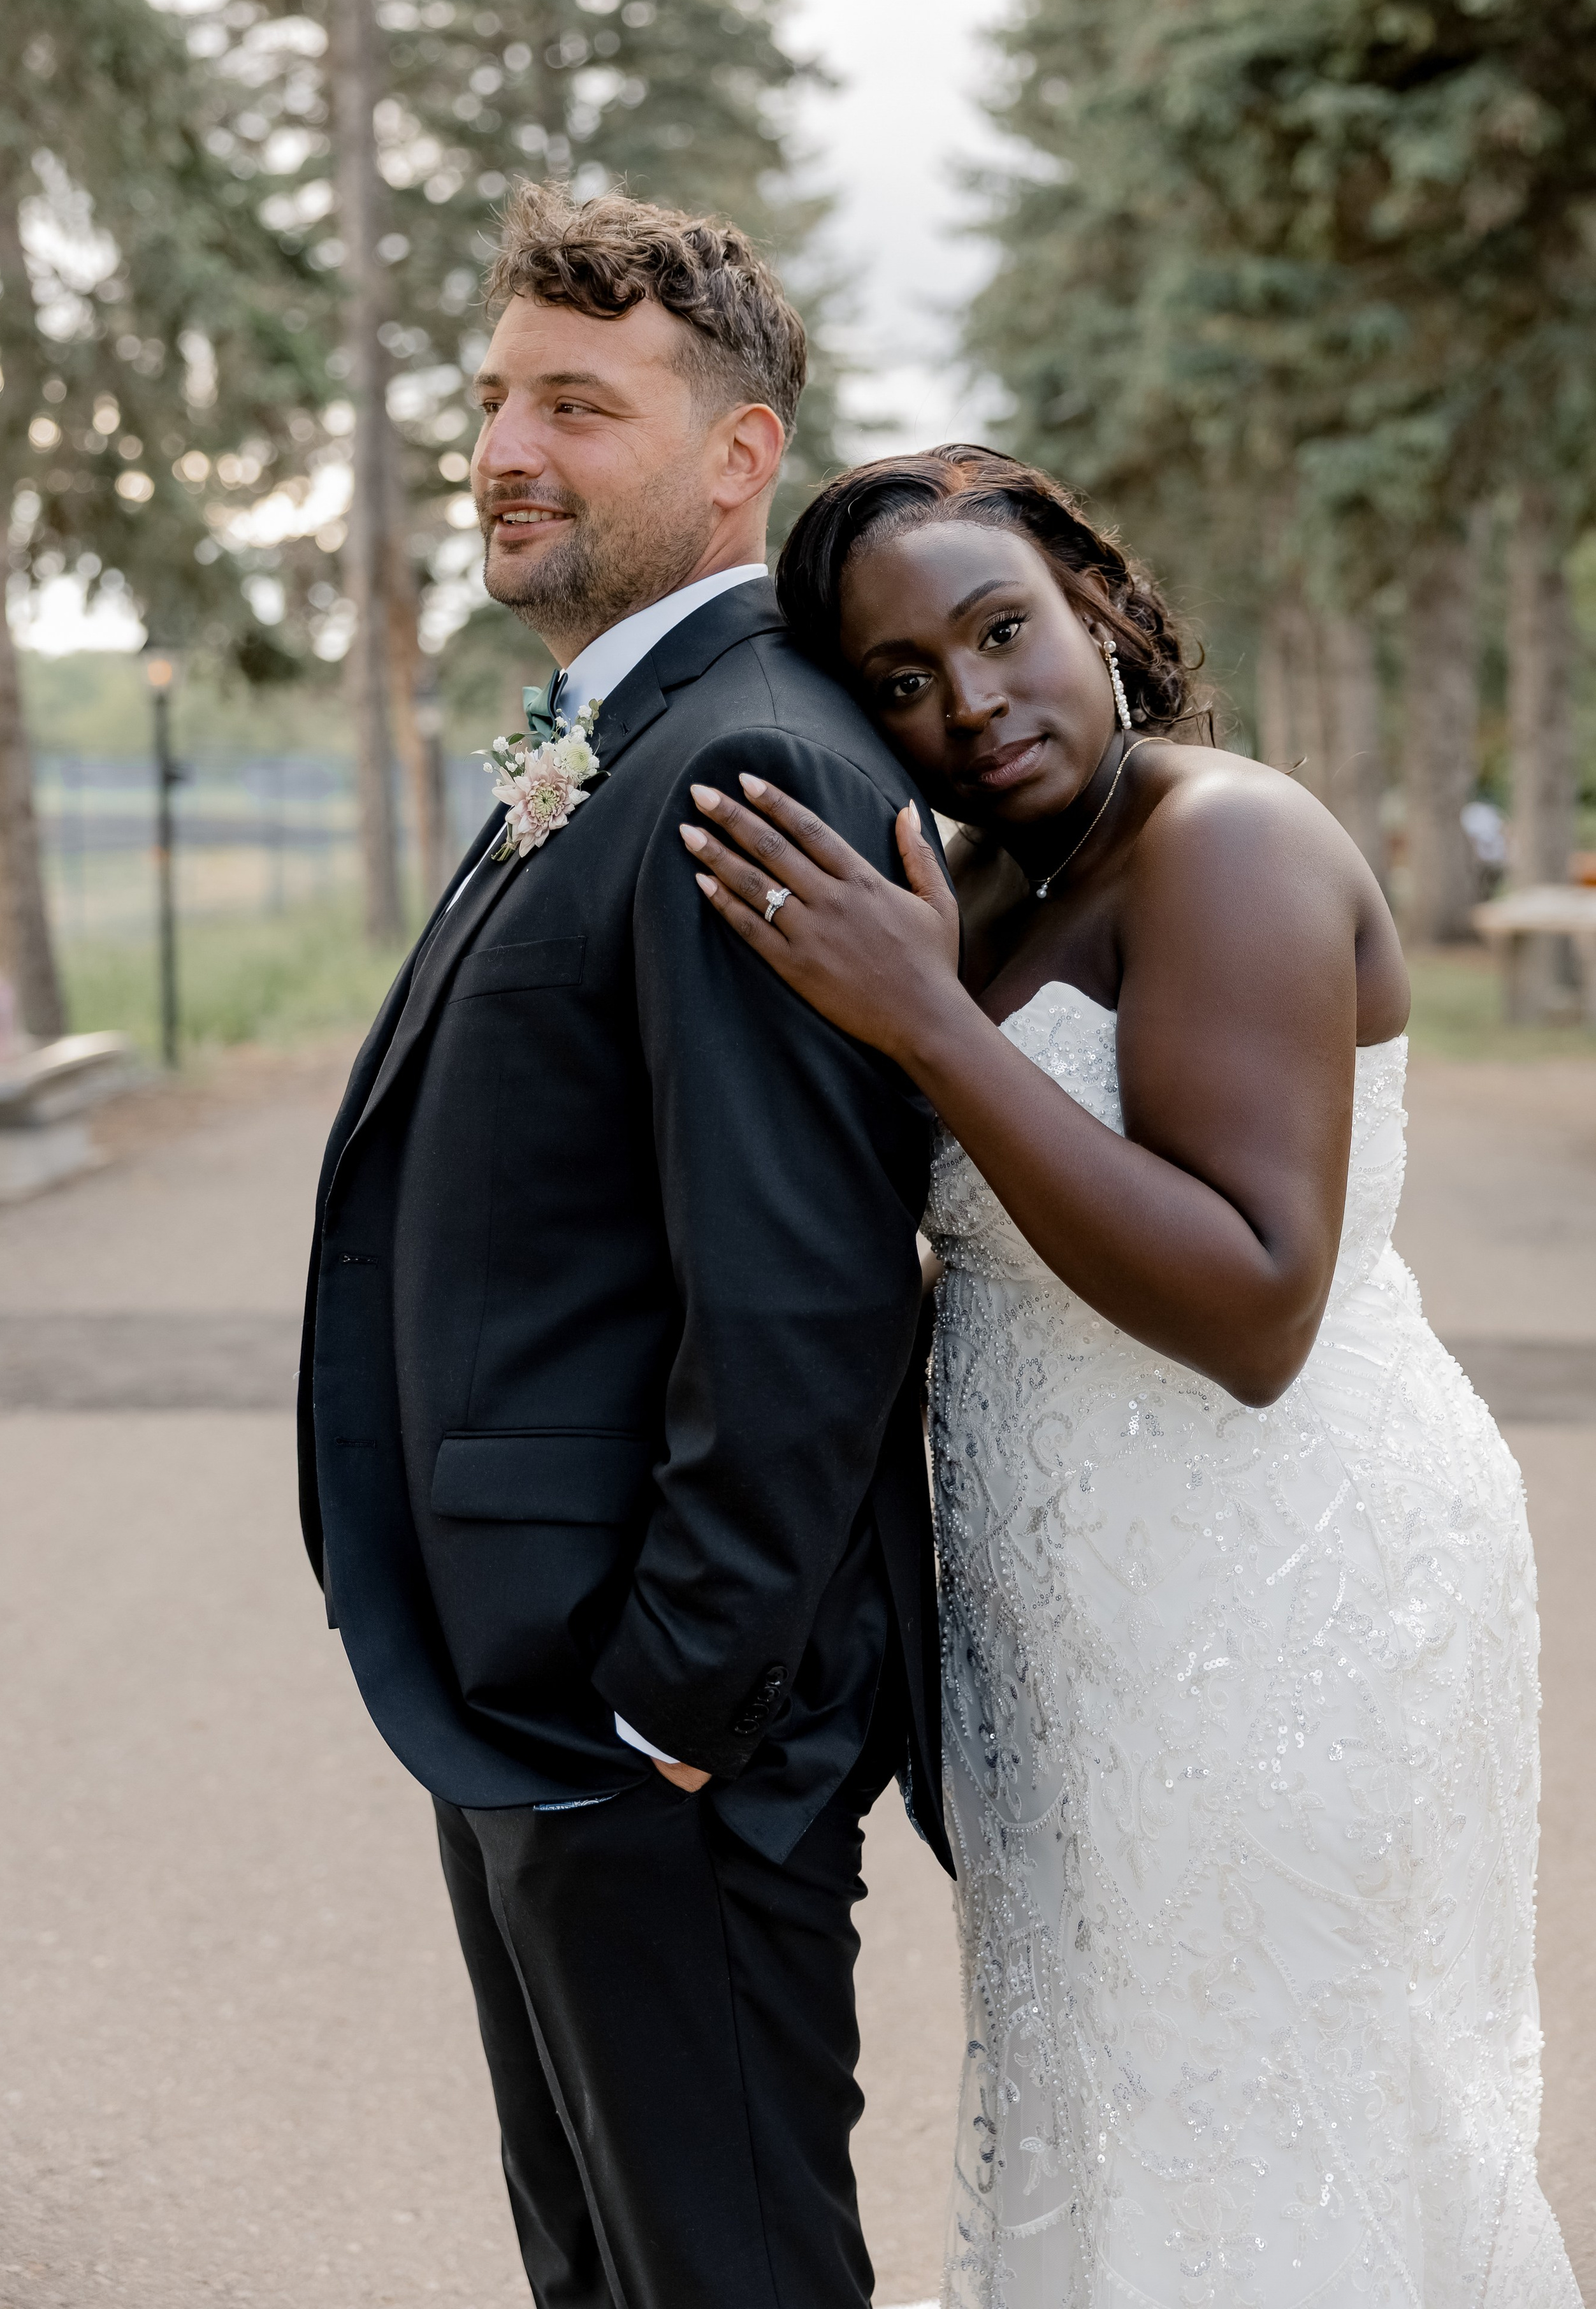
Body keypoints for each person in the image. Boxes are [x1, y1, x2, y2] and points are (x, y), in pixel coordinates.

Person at [679, 445, 1579, 2308]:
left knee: (1278, 2103)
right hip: (1087, 1626)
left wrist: (925, 1024)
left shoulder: (1223, 841)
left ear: (1094, 601)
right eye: (902, 681)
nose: (969, 702)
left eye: (999, 630)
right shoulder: (997, 888)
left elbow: (1257, 1307)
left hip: (1286, 1597)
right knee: (1124, 2098)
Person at [296, 191, 950, 2309]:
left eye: (579, 405)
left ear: (739, 455)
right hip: (538, 1696)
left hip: (650, 1730)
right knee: (606, 2271)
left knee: (723, 2274)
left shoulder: (746, 752)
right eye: (495, 397)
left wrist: (680, 1697)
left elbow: (804, 1283)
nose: (507, 448)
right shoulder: (618, 733)